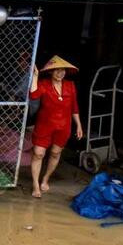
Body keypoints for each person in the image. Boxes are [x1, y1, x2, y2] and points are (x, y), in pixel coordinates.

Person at [28, 55, 83, 197]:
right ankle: (35, 185)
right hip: (44, 126)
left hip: (64, 127)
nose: (60, 73)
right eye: (57, 70)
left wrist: (79, 125)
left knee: (55, 153)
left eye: (62, 70)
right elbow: (33, 95)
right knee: (39, 154)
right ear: (51, 72)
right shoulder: (44, 84)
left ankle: (45, 179)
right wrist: (35, 76)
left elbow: (74, 107)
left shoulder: (70, 86)